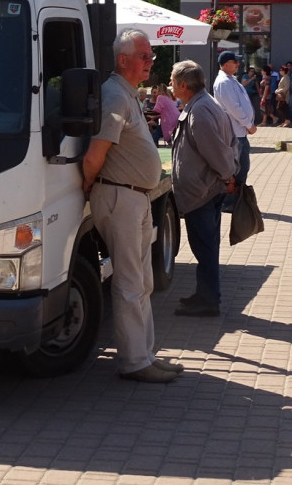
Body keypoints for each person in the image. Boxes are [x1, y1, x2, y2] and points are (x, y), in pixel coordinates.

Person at [82, 29, 182, 382]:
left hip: (134, 196)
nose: (150, 62)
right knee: (129, 282)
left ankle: (145, 354)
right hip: (120, 196)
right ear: (123, 59)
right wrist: (89, 184)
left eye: (151, 56)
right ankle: (134, 362)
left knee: (142, 281)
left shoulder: (125, 93)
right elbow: (95, 154)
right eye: (144, 56)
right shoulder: (115, 96)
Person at [170, 60, 238, 317]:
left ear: (183, 85)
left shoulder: (200, 110)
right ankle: (205, 294)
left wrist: (228, 175)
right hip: (204, 190)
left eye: (172, 80)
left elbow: (218, 151)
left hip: (203, 192)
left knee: (205, 248)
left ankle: (209, 300)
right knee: (204, 247)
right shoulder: (202, 104)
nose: (170, 84)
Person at [212, 50, 256, 212]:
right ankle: (228, 202)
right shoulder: (223, 82)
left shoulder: (232, 80)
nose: (237, 64)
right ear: (225, 65)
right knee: (234, 169)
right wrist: (248, 124)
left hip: (240, 132)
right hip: (234, 132)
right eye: (234, 61)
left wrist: (248, 124)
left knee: (242, 167)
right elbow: (233, 108)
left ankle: (237, 199)